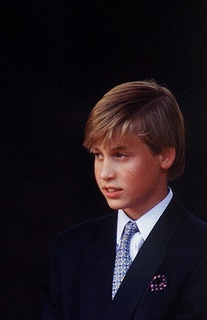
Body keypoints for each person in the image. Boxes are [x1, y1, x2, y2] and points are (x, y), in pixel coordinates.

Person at [41, 80, 207, 319]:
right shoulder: (71, 248)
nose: (105, 173)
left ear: (165, 155)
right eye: (98, 155)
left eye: (120, 155)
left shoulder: (199, 248)